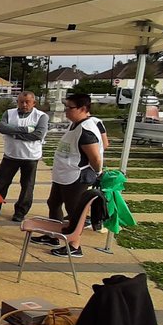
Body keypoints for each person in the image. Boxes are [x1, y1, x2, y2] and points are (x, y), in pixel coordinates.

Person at [34, 93, 103, 258]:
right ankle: (54, 236)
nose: (66, 110)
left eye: (70, 107)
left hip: (76, 176)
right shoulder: (75, 124)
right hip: (63, 175)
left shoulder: (87, 130)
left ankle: (74, 245)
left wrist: (98, 173)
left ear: (83, 109)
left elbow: (95, 157)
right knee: (53, 203)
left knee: (74, 211)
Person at [0, 91, 50, 222]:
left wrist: (14, 133)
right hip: (10, 156)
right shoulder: (9, 113)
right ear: (17, 102)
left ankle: (20, 212)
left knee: (27, 186)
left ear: (33, 103)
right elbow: (2, 128)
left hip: (30, 157)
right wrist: (27, 130)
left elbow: (38, 135)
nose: (24, 104)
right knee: (0, 183)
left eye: (27, 102)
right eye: (21, 102)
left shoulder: (41, 116)